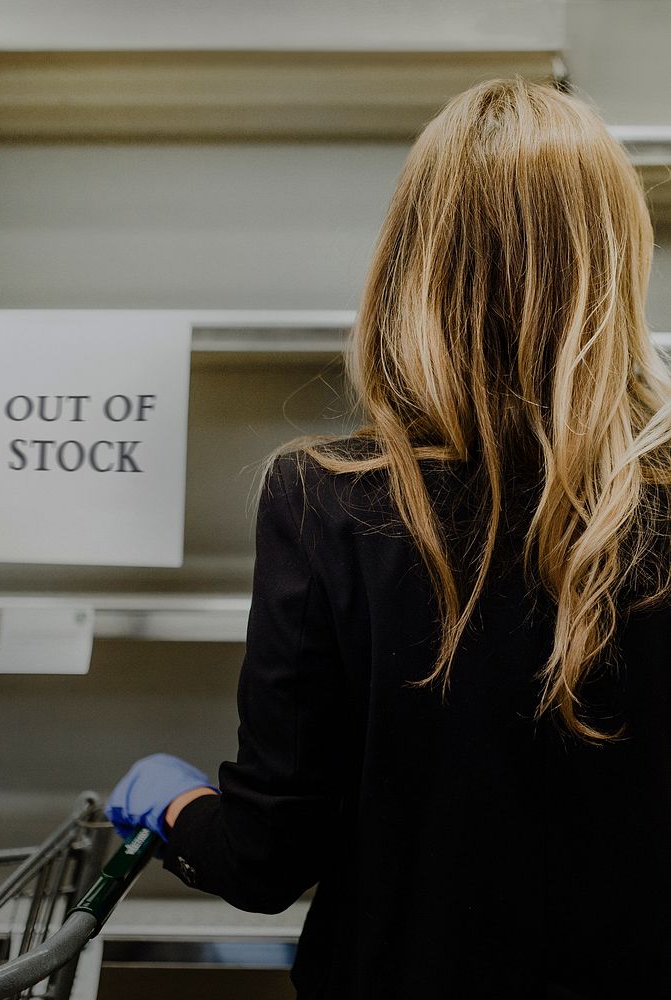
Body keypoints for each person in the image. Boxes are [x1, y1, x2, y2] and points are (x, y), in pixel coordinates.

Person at [105, 76, 671, 999]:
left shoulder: (329, 501)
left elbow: (264, 860)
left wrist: (175, 803)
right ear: (617, 261)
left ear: (413, 261)